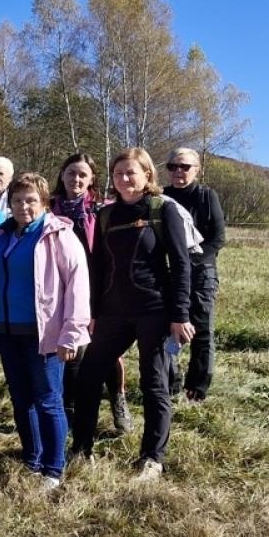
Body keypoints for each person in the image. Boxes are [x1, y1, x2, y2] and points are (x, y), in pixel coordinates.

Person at [74, 148, 193, 480]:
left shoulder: (162, 209)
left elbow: (181, 266)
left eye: (131, 173)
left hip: (153, 310)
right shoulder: (108, 215)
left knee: (154, 384)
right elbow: (98, 267)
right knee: (87, 378)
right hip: (113, 311)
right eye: (117, 173)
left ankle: (152, 458)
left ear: (147, 175)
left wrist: (180, 315)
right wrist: (94, 311)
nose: (124, 179)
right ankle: (82, 449)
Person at [0, 173, 91, 489]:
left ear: (44, 203)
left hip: (43, 334)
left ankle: (54, 468)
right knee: (20, 400)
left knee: (47, 399)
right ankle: (32, 458)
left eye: (31, 200)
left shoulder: (58, 236)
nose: (23, 206)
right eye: (17, 200)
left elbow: (77, 287)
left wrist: (71, 333)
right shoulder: (1, 236)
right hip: (7, 329)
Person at [50, 153, 126, 434]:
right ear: (62, 175)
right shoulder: (50, 208)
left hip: (98, 287)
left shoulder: (102, 209)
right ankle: (68, 407)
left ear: (92, 178)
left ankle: (118, 400)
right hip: (58, 289)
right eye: (71, 173)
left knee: (106, 350)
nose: (76, 179)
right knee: (69, 349)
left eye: (83, 174)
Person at [163, 148, 226, 404]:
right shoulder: (161, 197)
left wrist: (190, 262)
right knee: (165, 329)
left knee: (201, 330)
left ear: (197, 170)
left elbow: (218, 238)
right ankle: (170, 385)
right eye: (173, 167)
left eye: (185, 167)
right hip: (167, 273)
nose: (178, 171)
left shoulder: (206, 196)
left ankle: (197, 388)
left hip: (201, 273)